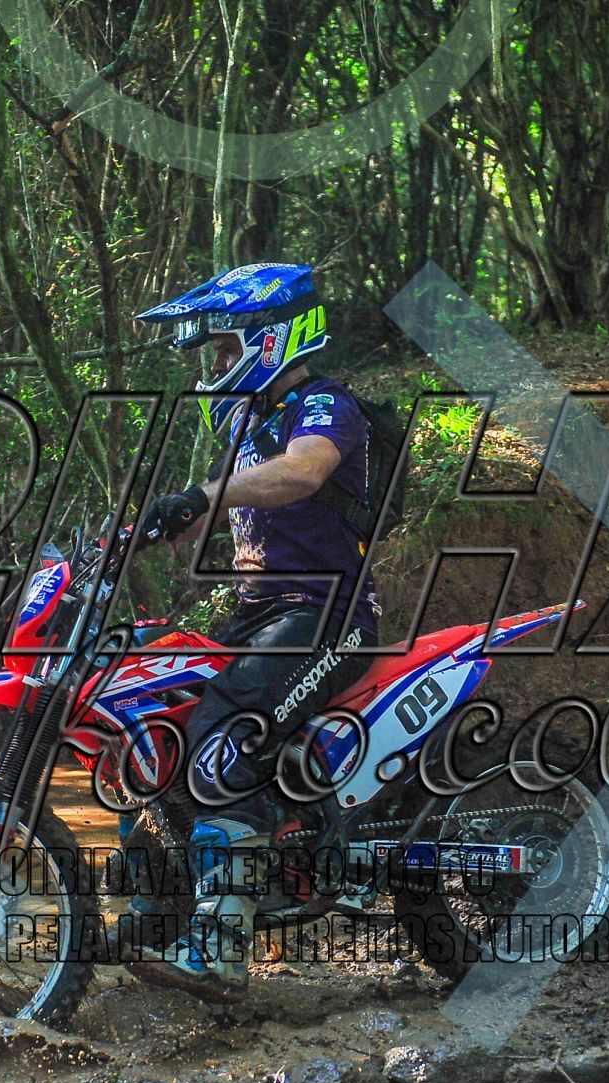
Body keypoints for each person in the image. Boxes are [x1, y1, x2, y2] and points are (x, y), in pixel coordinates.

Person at [124, 262, 381, 1001]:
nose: (214, 364)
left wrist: (202, 493)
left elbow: (301, 474)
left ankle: (221, 951)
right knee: (162, 733)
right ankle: (153, 925)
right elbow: (207, 511)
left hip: (327, 615)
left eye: (223, 348)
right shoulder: (250, 424)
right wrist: (135, 531)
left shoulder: (323, 405)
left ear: (271, 339)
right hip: (261, 615)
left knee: (224, 741)